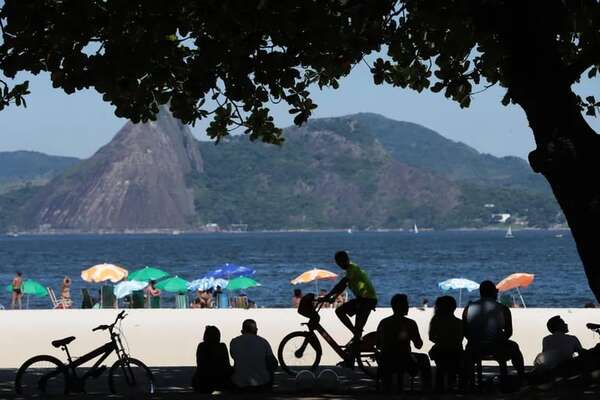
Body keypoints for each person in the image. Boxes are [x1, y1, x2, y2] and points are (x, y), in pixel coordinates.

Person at [462, 280, 525, 386]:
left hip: (474, 347)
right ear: (493, 292)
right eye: (496, 291)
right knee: (514, 347)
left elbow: (465, 331)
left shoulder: (468, 308)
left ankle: (470, 383)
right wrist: (497, 340)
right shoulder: (503, 309)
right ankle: (521, 376)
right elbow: (509, 332)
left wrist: (476, 341)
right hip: (496, 346)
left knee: (469, 351)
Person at [321, 251, 377, 358]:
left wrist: (329, 295)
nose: (340, 265)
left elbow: (342, 283)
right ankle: (356, 334)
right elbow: (343, 286)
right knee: (339, 311)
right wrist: (333, 297)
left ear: (345, 260)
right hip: (362, 300)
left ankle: (352, 354)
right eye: (338, 263)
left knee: (356, 328)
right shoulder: (349, 271)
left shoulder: (352, 269)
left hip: (367, 300)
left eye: (340, 262)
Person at [377, 294, 429, 393]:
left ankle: (387, 387)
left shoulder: (383, 322)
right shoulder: (410, 323)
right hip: (405, 360)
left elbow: (378, 345)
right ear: (402, 307)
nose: (408, 307)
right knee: (424, 358)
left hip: (386, 361)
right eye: (406, 305)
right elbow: (419, 345)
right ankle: (427, 388)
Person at [230, 319, 278, 392]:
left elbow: (234, 357)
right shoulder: (263, 342)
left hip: (239, 384)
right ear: (256, 330)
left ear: (242, 331)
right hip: (262, 384)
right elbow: (274, 364)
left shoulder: (234, 342)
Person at [429, 296, 464, 392]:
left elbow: (431, 337)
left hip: (439, 351)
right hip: (456, 352)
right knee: (454, 366)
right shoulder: (459, 323)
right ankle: (451, 384)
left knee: (440, 368)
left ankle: (439, 387)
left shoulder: (435, 321)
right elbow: (459, 340)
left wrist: (442, 341)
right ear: (454, 308)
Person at [193, 325, 233, 393]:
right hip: (221, 382)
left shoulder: (201, 346)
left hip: (203, 383)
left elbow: (200, 365)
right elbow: (227, 365)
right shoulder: (222, 347)